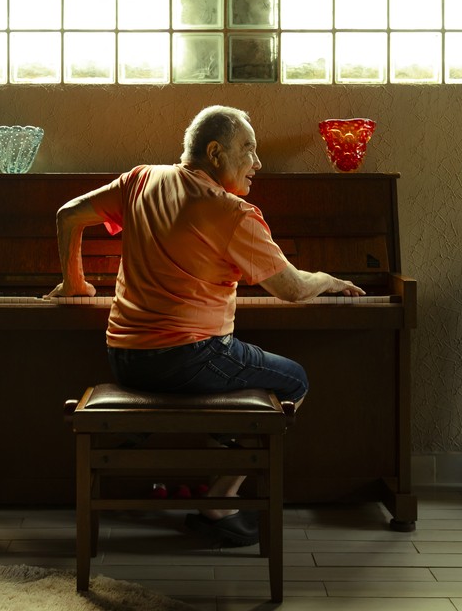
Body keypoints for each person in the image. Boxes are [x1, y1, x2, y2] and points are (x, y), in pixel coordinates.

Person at [49, 105, 364, 546]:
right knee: (294, 382)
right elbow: (292, 289)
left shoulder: (141, 179)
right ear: (215, 153)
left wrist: (74, 283)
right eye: (248, 151)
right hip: (189, 359)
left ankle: (176, 443)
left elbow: (68, 214)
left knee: (236, 382)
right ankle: (219, 499)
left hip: (123, 359)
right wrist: (328, 279)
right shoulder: (233, 212)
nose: (258, 164)